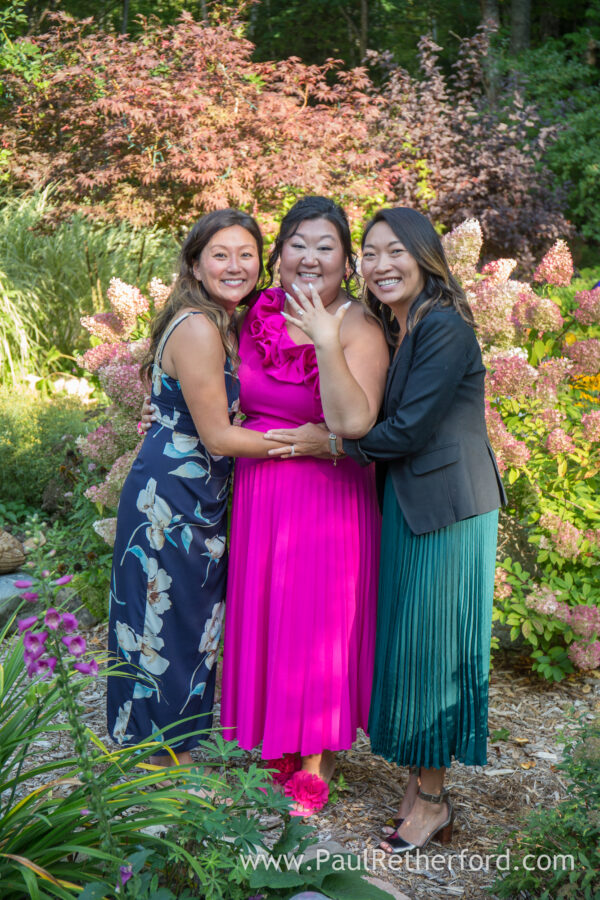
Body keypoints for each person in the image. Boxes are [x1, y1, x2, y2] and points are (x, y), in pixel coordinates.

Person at [266, 206, 506, 844]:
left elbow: (404, 430)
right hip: (407, 505)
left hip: (450, 510)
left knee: (433, 652)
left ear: (424, 256)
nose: (380, 265)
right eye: (370, 254)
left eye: (394, 252)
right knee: (409, 648)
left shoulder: (446, 328)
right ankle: (416, 784)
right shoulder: (398, 325)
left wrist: (329, 446)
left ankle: (431, 800)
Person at [107, 209, 298, 765]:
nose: (236, 265)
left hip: (196, 494)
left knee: (190, 622)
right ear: (195, 263)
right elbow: (217, 436)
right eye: (220, 254)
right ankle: (153, 764)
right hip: (170, 498)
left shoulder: (217, 321)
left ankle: (172, 755)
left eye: (246, 254)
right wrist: (311, 441)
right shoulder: (197, 326)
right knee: (161, 622)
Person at [219, 196, 388, 810]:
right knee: (267, 614)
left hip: (329, 495)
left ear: (346, 262)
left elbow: (363, 424)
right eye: (298, 243)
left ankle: (313, 762)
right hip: (262, 490)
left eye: (326, 246)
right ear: (280, 253)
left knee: (315, 623)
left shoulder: (359, 325)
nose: (310, 257)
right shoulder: (253, 313)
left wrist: (323, 343)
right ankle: (272, 746)